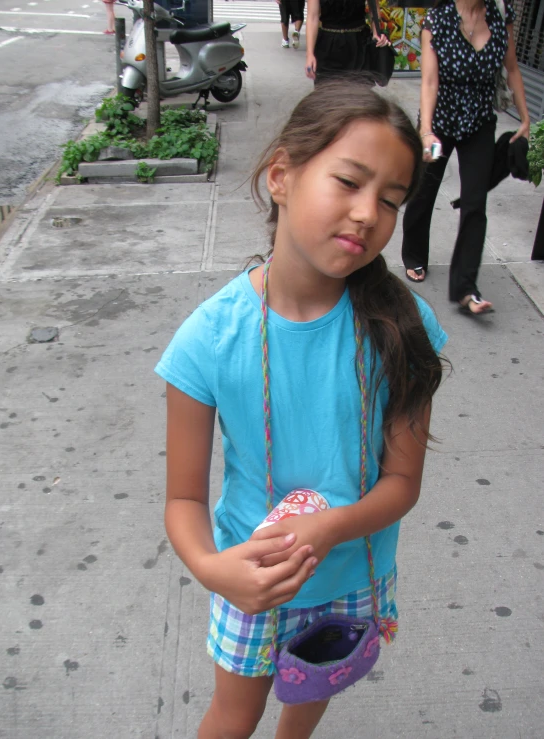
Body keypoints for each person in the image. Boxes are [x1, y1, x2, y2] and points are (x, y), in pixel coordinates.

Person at [156, 82, 448, 739]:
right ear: (281, 176)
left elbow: (402, 482)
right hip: (250, 578)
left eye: (392, 200)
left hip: (350, 571)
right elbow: (183, 499)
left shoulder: (402, 326)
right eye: (348, 181)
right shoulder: (208, 339)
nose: (368, 213)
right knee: (234, 714)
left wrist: (330, 530)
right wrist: (213, 568)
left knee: (311, 686)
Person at [401, 0, 530, 315]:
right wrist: (427, 130)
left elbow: (512, 68)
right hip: (440, 120)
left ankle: (465, 288)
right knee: (423, 191)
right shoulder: (438, 19)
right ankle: (415, 255)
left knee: (475, 203)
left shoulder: (501, 16)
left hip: (479, 122)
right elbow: (430, 81)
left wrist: (525, 119)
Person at [305, 0, 390, 83]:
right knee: (328, 92)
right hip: (327, 46)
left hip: (359, 45)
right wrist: (310, 54)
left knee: (359, 92)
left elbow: (374, 9)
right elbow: (312, 17)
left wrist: (376, 33)